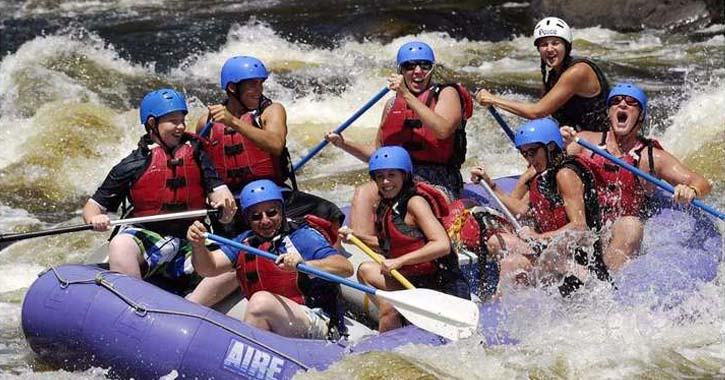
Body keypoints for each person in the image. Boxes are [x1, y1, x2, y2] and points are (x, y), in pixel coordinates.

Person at [82, 88, 236, 292]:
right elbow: (92, 207)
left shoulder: (197, 153)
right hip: (149, 236)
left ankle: (193, 307)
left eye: (182, 120)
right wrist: (95, 219)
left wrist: (224, 204)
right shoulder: (133, 164)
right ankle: (133, 306)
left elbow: (218, 189)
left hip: (192, 238)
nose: (181, 127)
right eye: (173, 121)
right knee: (120, 245)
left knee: (232, 270)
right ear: (152, 124)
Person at [326, 41, 473, 240]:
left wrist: (406, 94)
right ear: (401, 70)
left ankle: (410, 251)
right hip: (397, 176)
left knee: (414, 203)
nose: (417, 71)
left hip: (438, 178)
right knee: (364, 194)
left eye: (424, 65)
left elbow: (443, 130)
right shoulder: (392, 104)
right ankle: (365, 252)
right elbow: (379, 156)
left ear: (432, 68)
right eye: (409, 66)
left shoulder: (447, 93)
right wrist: (343, 143)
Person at [561, 83, 712, 272]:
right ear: (609, 112)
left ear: (640, 116)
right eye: (616, 102)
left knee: (632, 226)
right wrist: (558, 141)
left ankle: (602, 283)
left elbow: (701, 182)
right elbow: (547, 169)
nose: (622, 105)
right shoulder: (583, 141)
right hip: (581, 223)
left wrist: (691, 190)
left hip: (617, 229)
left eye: (631, 102)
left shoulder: (651, 157)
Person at [186, 179, 353, 339]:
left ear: (281, 210)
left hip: (319, 320)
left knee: (260, 302)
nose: (265, 220)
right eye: (256, 216)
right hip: (280, 319)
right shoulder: (246, 241)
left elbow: (345, 267)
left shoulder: (302, 236)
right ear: (247, 219)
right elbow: (209, 268)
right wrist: (198, 246)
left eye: (271, 213)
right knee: (259, 303)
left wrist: (303, 265)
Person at [197, 55, 344, 235]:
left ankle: (331, 259)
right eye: (252, 84)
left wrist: (233, 122)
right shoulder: (207, 122)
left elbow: (276, 145)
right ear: (232, 88)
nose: (259, 90)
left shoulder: (271, 111)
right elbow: (202, 168)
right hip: (232, 202)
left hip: (274, 194)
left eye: (261, 83)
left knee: (331, 214)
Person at [470, 118, 609, 297]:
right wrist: (491, 185)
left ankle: (503, 304)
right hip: (554, 253)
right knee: (496, 243)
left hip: (579, 261)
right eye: (524, 154)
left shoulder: (565, 174)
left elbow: (579, 226)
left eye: (533, 152)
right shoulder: (543, 176)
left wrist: (539, 237)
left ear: (550, 146)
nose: (529, 159)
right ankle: (511, 305)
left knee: (512, 264)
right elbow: (522, 209)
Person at [343, 146, 470, 333]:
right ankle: (401, 319)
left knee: (389, 307)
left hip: (441, 285)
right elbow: (392, 244)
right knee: (365, 270)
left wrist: (400, 261)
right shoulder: (386, 204)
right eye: (379, 176)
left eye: (391, 175)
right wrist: (356, 237)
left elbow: (442, 245)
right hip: (412, 281)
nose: (385, 182)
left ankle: (391, 331)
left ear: (404, 175)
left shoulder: (415, 203)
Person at [476, 17, 610, 132]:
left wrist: (493, 99)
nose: (550, 49)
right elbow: (543, 111)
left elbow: (536, 112)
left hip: (602, 139)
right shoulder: (552, 75)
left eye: (555, 43)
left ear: (566, 46)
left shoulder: (578, 71)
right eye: (544, 44)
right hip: (576, 136)